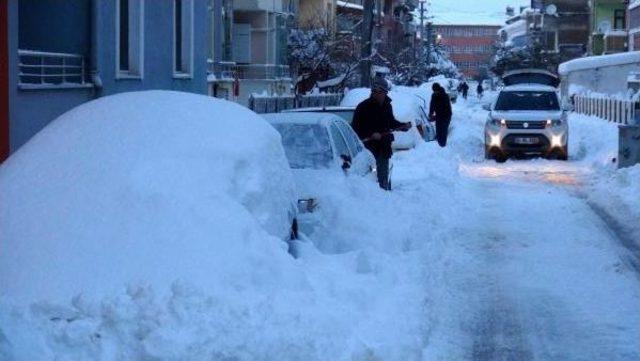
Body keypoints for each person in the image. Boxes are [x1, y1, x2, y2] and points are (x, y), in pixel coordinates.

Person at [352, 78, 411, 190]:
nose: (376, 93)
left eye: (380, 91)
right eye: (374, 91)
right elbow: (355, 129)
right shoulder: (363, 107)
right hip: (368, 150)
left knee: (383, 179)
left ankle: (385, 196)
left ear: (385, 92)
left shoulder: (387, 105)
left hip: (383, 148)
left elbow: (390, 122)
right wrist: (371, 134)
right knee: (370, 181)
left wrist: (402, 126)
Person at [429, 83, 452, 148]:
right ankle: (439, 144)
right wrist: (431, 113)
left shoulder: (445, 96)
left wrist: (435, 117)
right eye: (434, 91)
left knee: (443, 130)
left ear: (438, 89)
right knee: (438, 130)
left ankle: (443, 146)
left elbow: (445, 108)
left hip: (446, 116)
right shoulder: (433, 95)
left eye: (436, 90)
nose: (435, 92)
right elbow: (432, 105)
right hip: (439, 116)